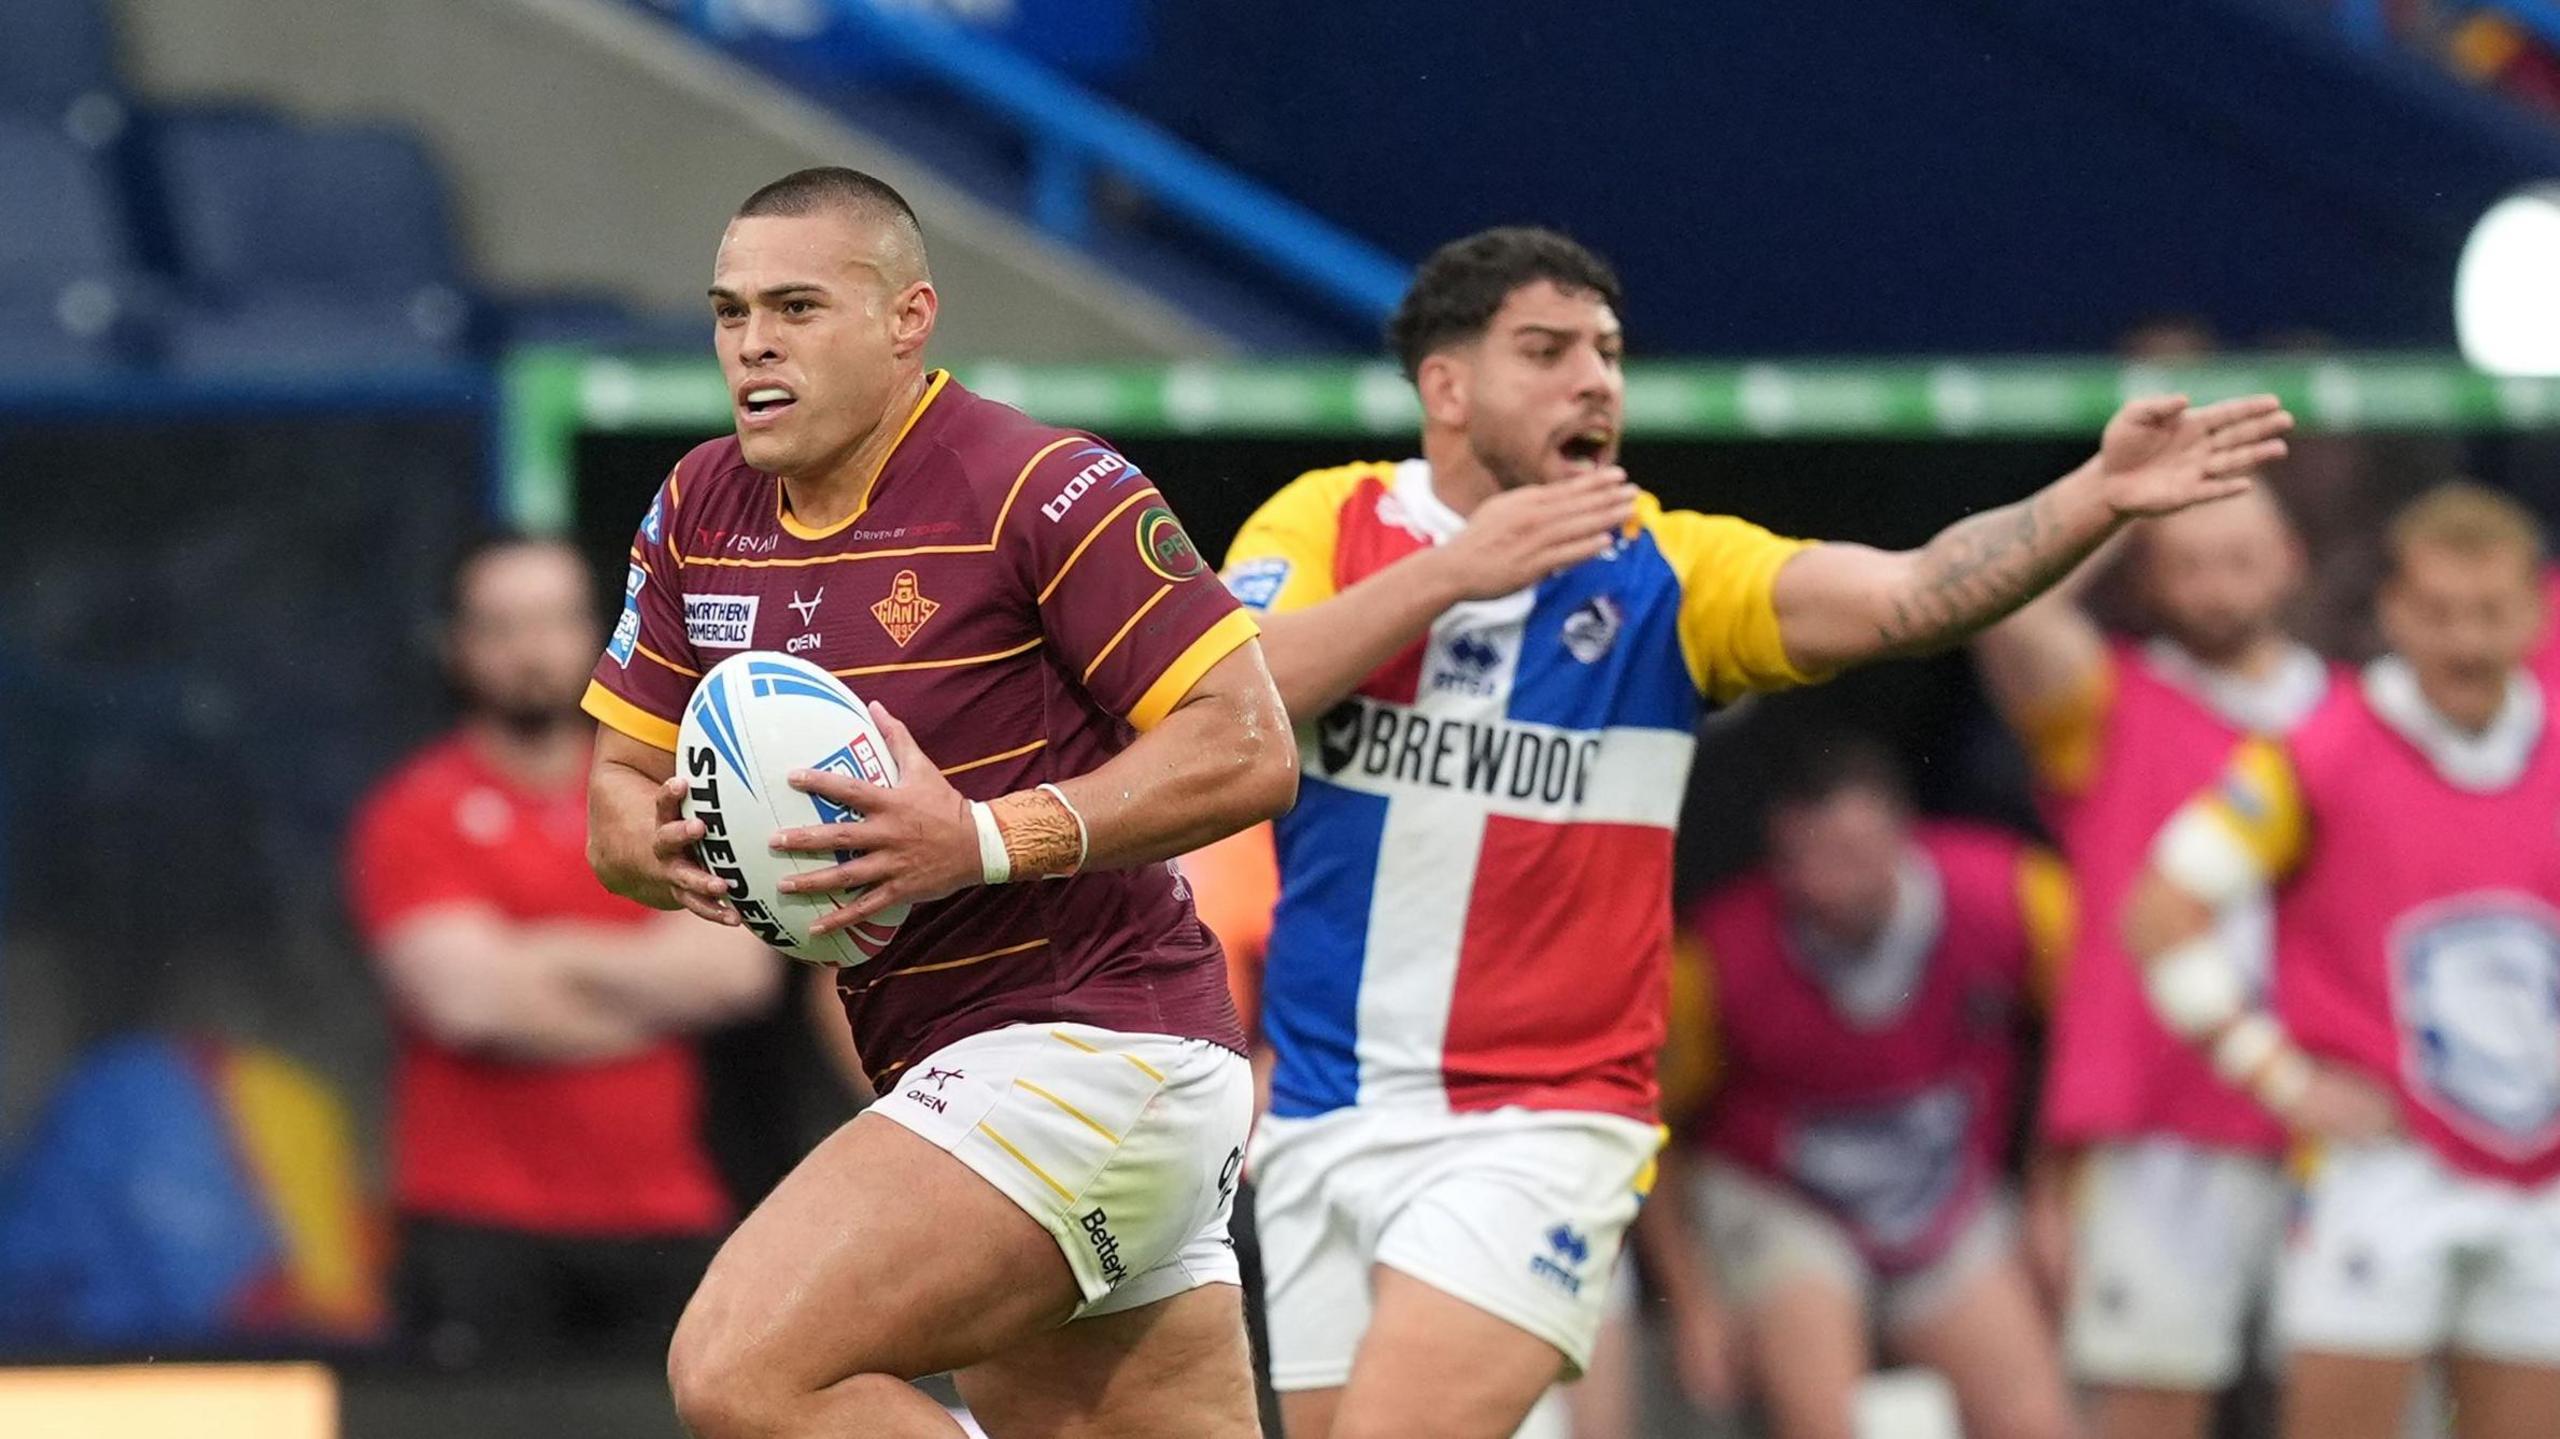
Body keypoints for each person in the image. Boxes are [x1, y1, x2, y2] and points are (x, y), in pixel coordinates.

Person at [1221, 224, 2293, 1439]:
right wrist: (1457, 572)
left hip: (1539, 1125)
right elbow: (1237, 686)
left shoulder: (1673, 575)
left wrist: (2091, 497)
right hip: (1322, 1112)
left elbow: (1911, 592)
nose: (1595, 379)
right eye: (1548, 349)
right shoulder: (1323, 520)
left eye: (1610, 353)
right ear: (1446, 386)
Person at [581, 167, 1296, 1439]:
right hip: (957, 1064)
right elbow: (614, 810)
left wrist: (972, 837)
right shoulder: (699, 506)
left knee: (742, 1369)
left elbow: (1247, 748)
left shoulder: (1041, 486)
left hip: (1089, 1047)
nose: (753, 342)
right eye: (730, 311)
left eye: (797, 306)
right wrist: (687, 849)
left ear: (909, 318)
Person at [2118, 483, 2560, 1439]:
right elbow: (2159, 911)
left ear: (2536, 610)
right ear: (2394, 612)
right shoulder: (2318, 751)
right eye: (2439, 614)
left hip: (2540, 1170)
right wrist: (2274, 1076)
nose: (2468, 643)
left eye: (2490, 613)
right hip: (2380, 1170)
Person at [345, 534, 780, 1369]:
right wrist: (650, 985)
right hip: (476, 1225)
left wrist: (540, 960)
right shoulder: (414, 811)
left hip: (664, 1217)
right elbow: (467, 1004)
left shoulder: (664, 796)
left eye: (551, 621)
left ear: (597, 634)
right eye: (502, 626)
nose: (530, 651)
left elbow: (736, 973)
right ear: (457, 646)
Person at [1970, 487, 2334, 1439]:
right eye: (2188, 562)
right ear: (2147, 577)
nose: (2216, 587)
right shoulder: (2107, 700)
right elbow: (2002, 607)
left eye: (2240, 558)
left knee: (2348, 1400)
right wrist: (2127, 504)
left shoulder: (2353, 716)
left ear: (2292, 555)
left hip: (2332, 1111)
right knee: (2147, 1406)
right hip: (2158, 1118)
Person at [1635, 737, 2075, 1439]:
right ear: (1780, 860)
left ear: (1905, 833)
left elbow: (2098, 1033)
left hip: (1941, 1192)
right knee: (1826, 1417)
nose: (1838, 883)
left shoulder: (2015, 895)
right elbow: (1646, 1126)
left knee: (2035, 1417)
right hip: (1782, 1198)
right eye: (1814, 859)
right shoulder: (1717, 960)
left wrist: (2053, 1191)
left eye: (1858, 854)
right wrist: (1692, 1301)